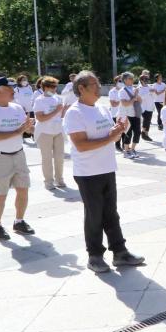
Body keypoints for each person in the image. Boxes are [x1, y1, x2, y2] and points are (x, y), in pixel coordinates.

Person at [64, 71, 144, 273]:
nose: (99, 87)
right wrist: (111, 137)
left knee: (111, 213)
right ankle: (95, 256)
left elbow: (111, 136)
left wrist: (119, 129)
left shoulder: (101, 108)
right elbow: (81, 145)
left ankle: (120, 252)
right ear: (81, 88)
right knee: (94, 215)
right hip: (88, 172)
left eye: (98, 83)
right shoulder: (75, 113)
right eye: (94, 84)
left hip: (107, 168)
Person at [0, 77, 36, 240]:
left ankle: (19, 221)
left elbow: (28, 129)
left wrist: (31, 127)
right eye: (9, 88)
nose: (14, 91)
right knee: (1, 194)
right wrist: (19, 130)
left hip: (18, 154)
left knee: (23, 190)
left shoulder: (17, 108)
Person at [32, 76, 67, 190]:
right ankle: (48, 182)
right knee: (46, 158)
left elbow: (61, 115)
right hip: (44, 132)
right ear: (45, 87)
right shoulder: (39, 100)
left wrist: (65, 110)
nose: (54, 89)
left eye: (55, 87)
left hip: (58, 130)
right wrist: (57, 110)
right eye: (52, 87)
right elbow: (40, 118)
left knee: (59, 157)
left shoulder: (57, 98)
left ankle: (59, 179)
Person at [118, 72, 142, 159]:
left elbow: (140, 101)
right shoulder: (122, 91)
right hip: (127, 114)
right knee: (128, 133)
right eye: (130, 78)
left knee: (138, 132)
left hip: (136, 113)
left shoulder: (134, 88)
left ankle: (132, 149)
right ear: (125, 80)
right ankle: (126, 151)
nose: (132, 80)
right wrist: (135, 97)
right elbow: (125, 104)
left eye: (132, 78)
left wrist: (137, 95)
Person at [138, 74, 155, 142]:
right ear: (141, 80)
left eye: (147, 79)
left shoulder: (150, 87)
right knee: (146, 121)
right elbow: (141, 97)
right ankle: (144, 133)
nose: (146, 81)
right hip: (144, 107)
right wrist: (149, 92)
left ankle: (145, 134)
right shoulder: (139, 88)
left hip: (150, 106)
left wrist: (153, 92)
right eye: (145, 79)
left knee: (148, 121)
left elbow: (153, 96)